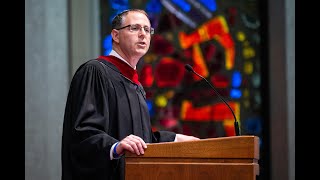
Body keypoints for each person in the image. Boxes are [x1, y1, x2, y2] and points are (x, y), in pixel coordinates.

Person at [61, 9, 200, 180]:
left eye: (147, 30)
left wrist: (176, 139)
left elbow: (140, 140)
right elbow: (82, 133)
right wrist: (115, 147)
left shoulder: (135, 85)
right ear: (116, 36)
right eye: (134, 28)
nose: (143, 34)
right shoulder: (96, 71)